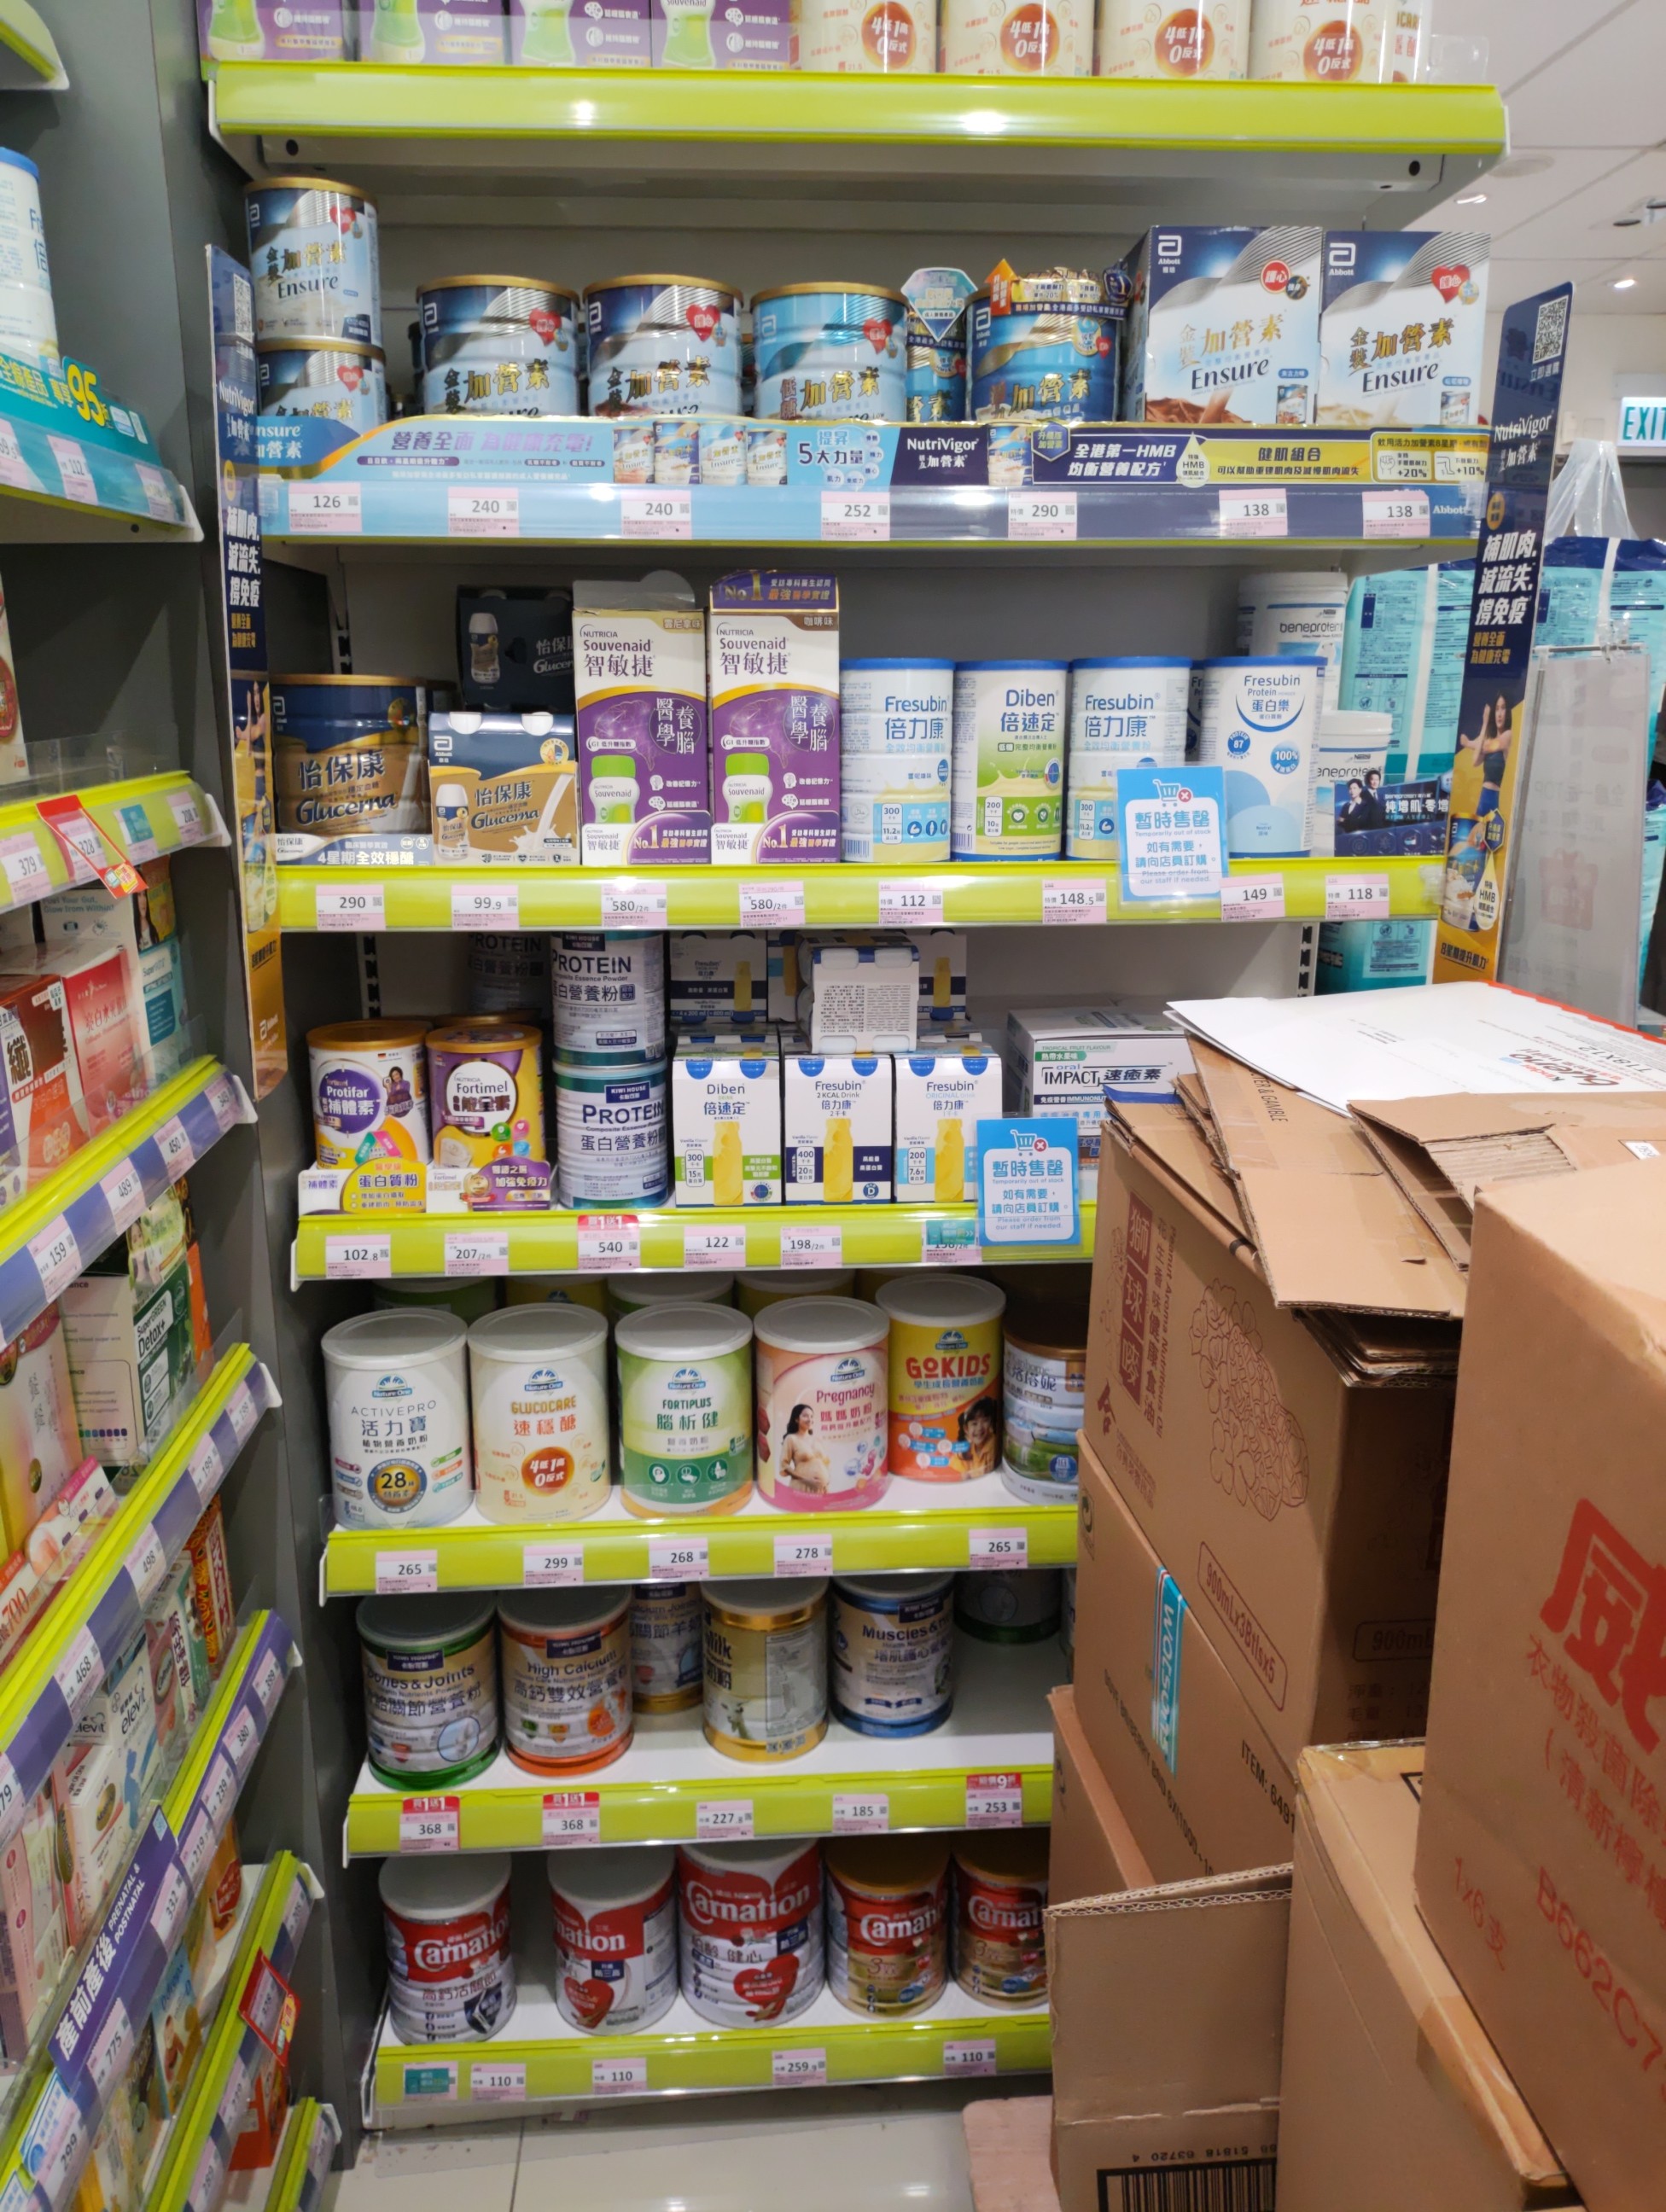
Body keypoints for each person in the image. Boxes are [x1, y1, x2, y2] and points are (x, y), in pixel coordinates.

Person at [777, 1403, 831, 1495]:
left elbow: (826, 1462)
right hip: (802, 1486)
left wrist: (827, 1479)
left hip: (822, 1489)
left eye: (811, 1416)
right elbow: (784, 1465)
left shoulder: (817, 1440)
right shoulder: (791, 1439)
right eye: (805, 1416)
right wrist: (807, 1480)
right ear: (797, 1419)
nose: (810, 1419)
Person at [953, 1396, 1000, 1476]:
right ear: (966, 1429)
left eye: (985, 1421)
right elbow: (964, 1474)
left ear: (990, 1422)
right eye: (974, 1424)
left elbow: (989, 1476)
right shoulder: (968, 1448)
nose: (979, 1428)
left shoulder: (992, 1446)